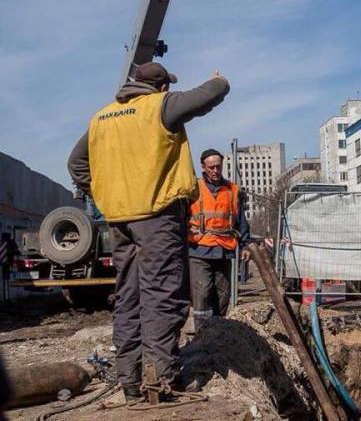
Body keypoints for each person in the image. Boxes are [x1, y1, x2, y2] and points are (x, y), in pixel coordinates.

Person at [67, 62, 229, 401]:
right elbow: (209, 95)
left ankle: (131, 381)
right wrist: (220, 80)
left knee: (129, 296)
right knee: (162, 296)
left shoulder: (102, 118)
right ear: (161, 88)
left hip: (121, 221)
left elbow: (76, 164)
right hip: (157, 217)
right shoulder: (159, 106)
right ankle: (159, 380)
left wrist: (106, 192)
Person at [187, 149, 251, 331]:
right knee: (202, 293)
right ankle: (202, 332)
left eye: (218, 167)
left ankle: (218, 330)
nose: (215, 170)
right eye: (211, 167)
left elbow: (240, 220)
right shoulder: (193, 189)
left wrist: (245, 244)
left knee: (223, 295)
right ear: (203, 167)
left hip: (224, 250)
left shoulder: (232, 190)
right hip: (199, 249)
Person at [0, 233, 18, 301]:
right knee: (6, 278)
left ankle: (6, 297)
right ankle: (6, 298)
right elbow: (16, 250)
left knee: (6, 277)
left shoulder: (3, 242)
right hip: (7, 262)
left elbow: (15, 250)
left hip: (6, 262)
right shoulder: (10, 242)